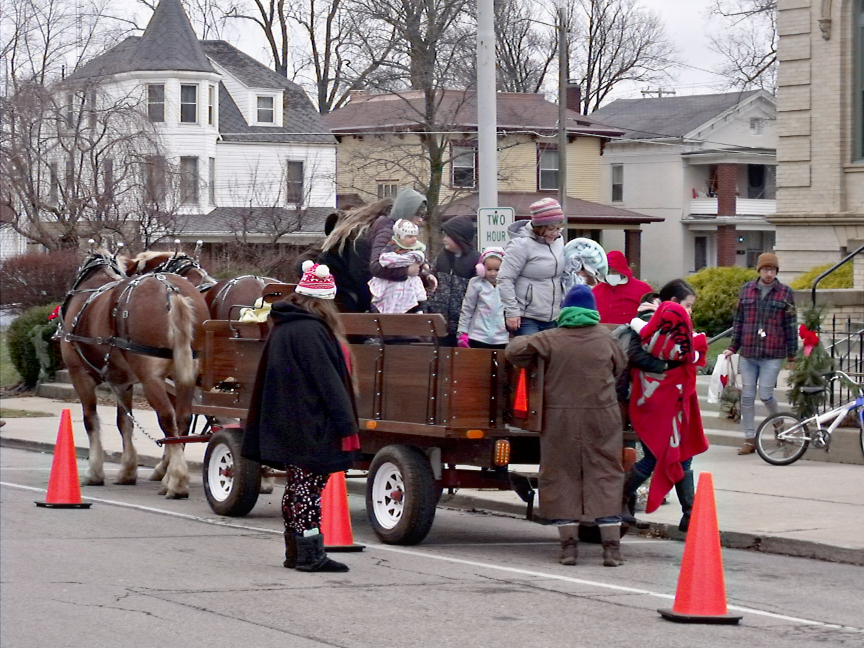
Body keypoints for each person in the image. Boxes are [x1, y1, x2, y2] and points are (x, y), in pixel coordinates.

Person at [241, 261, 359, 573]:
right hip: (311, 424)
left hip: (289, 421)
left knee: (296, 488)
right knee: (308, 491)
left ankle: (295, 550)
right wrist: (346, 424)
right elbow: (328, 381)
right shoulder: (312, 330)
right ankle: (310, 554)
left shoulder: (285, 326)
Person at [506, 284, 628, 567]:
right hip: (603, 415)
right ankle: (612, 549)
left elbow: (513, 351)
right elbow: (620, 366)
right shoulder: (606, 338)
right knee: (606, 473)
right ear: (592, 310)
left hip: (560, 417)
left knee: (561, 473)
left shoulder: (550, 338)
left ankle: (569, 548)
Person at [626, 279, 708, 532]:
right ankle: (617, 499)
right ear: (672, 302)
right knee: (655, 455)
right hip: (658, 399)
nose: (690, 311)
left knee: (682, 452)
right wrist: (669, 366)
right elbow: (637, 354)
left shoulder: (669, 321)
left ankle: (689, 514)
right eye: (687, 305)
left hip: (677, 398)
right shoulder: (650, 319)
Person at [723, 252, 797, 455]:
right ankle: (749, 439)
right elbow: (739, 321)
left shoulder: (785, 293)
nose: (769, 273)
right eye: (765, 269)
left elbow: (791, 325)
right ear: (759, 270)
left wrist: (792, 356)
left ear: (776, 272)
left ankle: (779, 427)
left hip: (773, 353)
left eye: (772, 270)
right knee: (747, 396)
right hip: (749, 352)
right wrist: (732, 347)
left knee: (765, 394)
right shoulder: (747, 290)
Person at [498, 198, 566, 337]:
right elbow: (505, 279)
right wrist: (512, 312)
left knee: (551, 356)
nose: (555, 233)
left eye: (558, 228)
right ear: (539, 227)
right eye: (550, 228)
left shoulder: (559, 242)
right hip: (527, 316)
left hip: (553, 316)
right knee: (528, 353)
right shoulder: (521, 245)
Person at [317, 197, 394, 313]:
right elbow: (361, 274)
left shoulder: (355, 231)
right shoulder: (361, 237)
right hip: (340, 295)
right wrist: (368, 307)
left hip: (334, 291)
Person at [368, 188, 436, 292]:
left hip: (404, 293)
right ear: (407, 212)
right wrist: (406, 271)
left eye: (422, 215)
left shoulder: (407, 234)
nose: (420, 220)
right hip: (389, 296)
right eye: (417, 214)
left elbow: (410, 260)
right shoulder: (387, 232)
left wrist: (425, 276)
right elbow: (376, 266)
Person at [428, 215, 481, 346]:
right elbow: (431, 274)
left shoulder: (475, 260)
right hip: (439, 320)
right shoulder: (441, 256)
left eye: (448, 236)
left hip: (463, 323)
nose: (444, 239)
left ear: (459, 238)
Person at [368, 219, 428, 314]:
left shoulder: (417, 247)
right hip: (392, 282)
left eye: (415, 236)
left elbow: (421, 256)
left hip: (410, 282)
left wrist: (425, 266)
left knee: (418, 292)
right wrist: (404, 267)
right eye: (410, 236)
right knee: (390, 298)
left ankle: (419, 309)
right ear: (400, 237)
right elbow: (382, 261)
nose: (414, 239)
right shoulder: (392, 245)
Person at [457, 248, 508, 349]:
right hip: (478, 336)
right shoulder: (476, 283)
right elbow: (467, 308)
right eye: (489, 269)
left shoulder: (507, 285)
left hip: (502, 337)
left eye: (497, 270)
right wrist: (463, 332)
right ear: (481, 269)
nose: (493, 273)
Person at [592, 251, 654, 325]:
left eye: (614, 271)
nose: (611, 274)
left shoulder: (643, 289)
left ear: (621, 270)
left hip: (631, 333)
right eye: (608, 272)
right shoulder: (596, 290)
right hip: (603, 333)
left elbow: (652, 314)